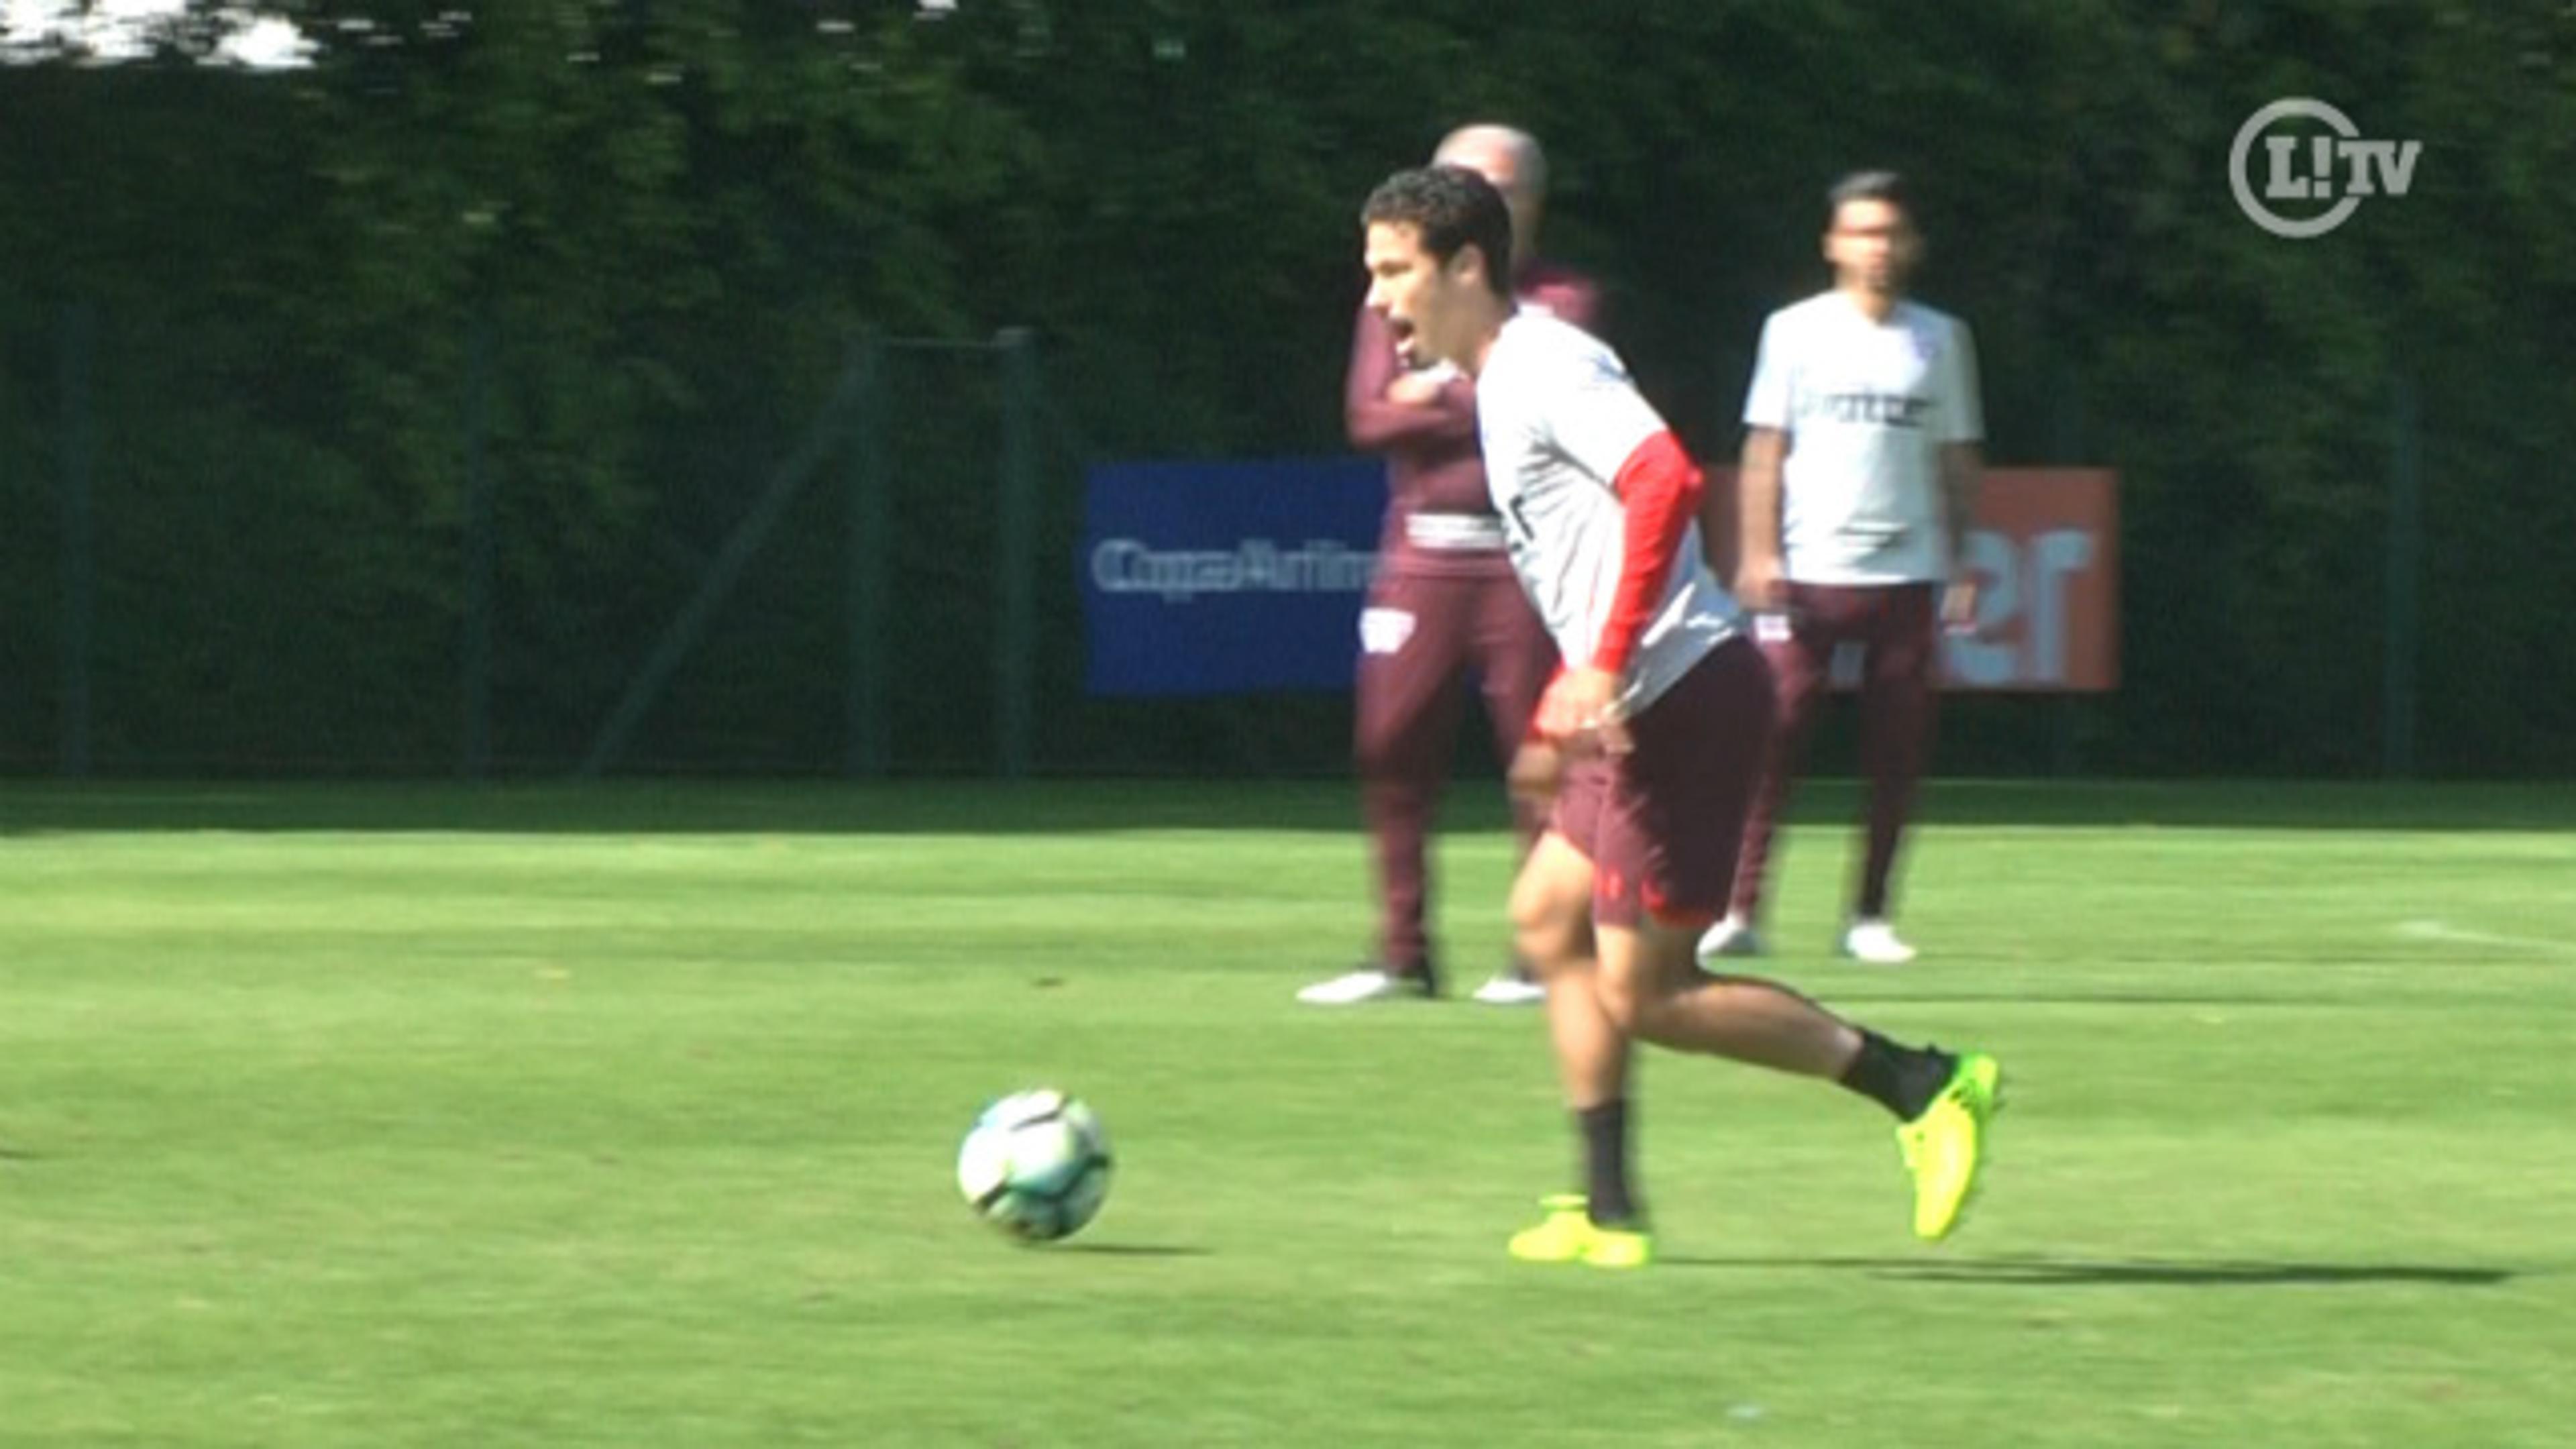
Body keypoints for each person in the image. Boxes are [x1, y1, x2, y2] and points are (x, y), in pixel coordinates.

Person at [1356, 164, 2002, 1267]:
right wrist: (1577, 706)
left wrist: (1598, 667)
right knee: (1547, 923)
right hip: (1634, 712)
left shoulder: (1544, 364)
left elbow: (1664, 480)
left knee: (1652, 992)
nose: (1377, 300)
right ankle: (1606, 1212)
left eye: (1393, 272)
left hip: (1685, 702)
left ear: (1467, 266)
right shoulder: (1501, 379)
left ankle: (1925, 1086)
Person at [1299, 124, 1600, 1008]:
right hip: (1422, 552)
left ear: (1530, 204)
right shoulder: (1391, 296)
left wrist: (1431, 391)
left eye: (1499, 189)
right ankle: (1402, 955)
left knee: (1536, 761)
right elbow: (1366, 418)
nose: (1480, 201)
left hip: (1525, 557)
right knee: (1390, 747)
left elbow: (1519, 403)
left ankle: (1540, 956)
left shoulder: (1562, 301)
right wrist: (1458, 394)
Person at [1702, 171, 1985, 967]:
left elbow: (1959, 456)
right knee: (1774, 732)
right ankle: (1737, 907)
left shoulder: (1940, 339)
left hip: (1908, 571)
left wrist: (1963, 558)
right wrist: (1759, 552)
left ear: (1913, 245)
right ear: (1833, 244)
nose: (1878, 249)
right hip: (1809, 570)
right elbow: (1766, 446)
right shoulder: (1794, 332)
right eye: (1862, 232)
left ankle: (1869, 916)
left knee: (1898, 749)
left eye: (1891, 233)